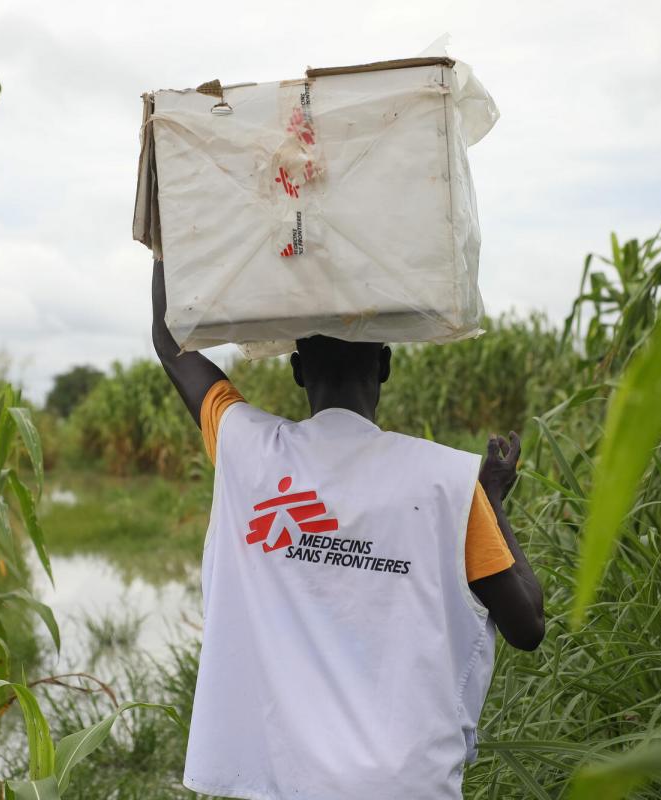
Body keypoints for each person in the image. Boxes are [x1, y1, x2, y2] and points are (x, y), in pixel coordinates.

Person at [150, 260, 544, 800]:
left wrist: (166, 226)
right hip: (409, 786)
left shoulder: (246, 449)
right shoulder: (448, 483)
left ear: (296, 369)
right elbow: (528, 625)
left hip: (286, 782)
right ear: (384, 365)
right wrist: (492, 499)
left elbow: (170, 343)